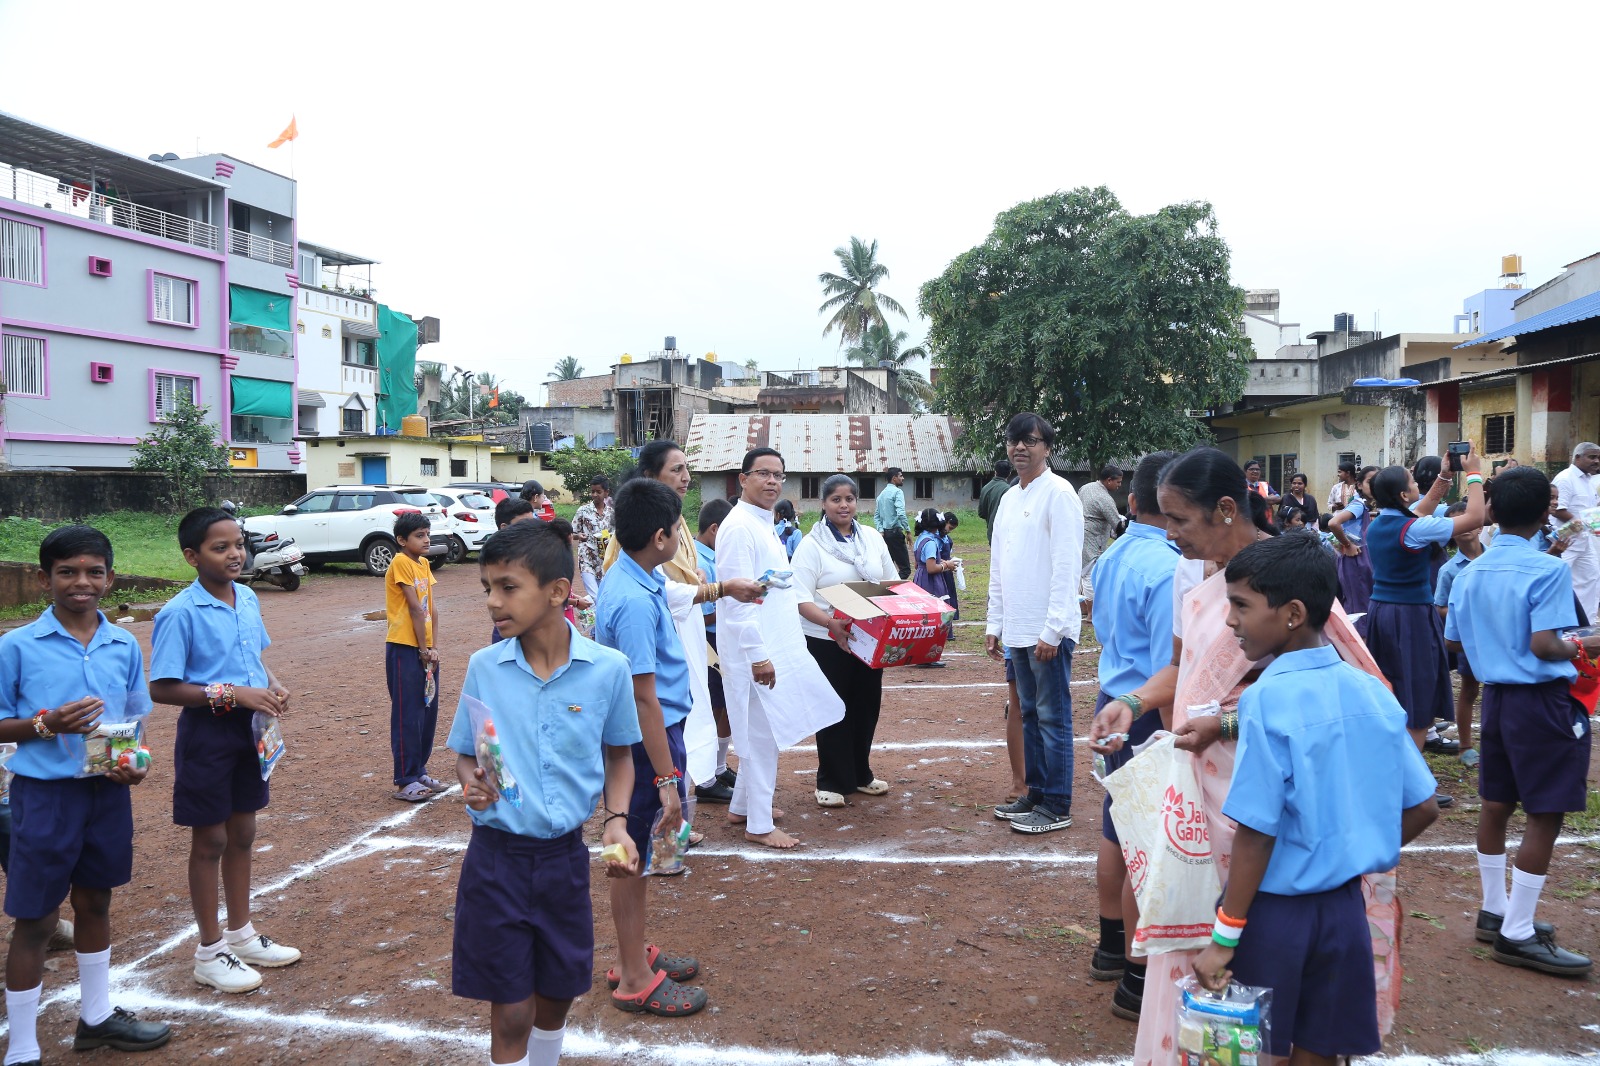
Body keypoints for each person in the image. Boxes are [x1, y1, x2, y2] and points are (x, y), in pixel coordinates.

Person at [1089, 449, 1401, 1049]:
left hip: (1260, 812)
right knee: (1194, 955)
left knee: (1263, 971)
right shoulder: (1198, 581)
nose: (1168, 531)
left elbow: (1323, 702)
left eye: (1179, 519)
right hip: (1198, 809)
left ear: (1225, 509)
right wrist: (1129, 701)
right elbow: (1182, 672)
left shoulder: (1289, 592)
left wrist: (1223, 728)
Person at [1190, 534, 1440, 1063]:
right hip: (1345, 911)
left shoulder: (1264, 700)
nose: (1230, 620)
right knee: (1321, 1052)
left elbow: (1257, 833)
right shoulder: (1372, 692)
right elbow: (1423, 806)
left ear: (1292, 613)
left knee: (1259, 1050)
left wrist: (1224, 937)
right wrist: (1349, 852)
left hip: (1275, 916)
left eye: (1240, 606)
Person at [447, 521, 642, 1065]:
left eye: (508, 587)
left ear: (557, 591)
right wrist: (472, 783)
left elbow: (620, 755)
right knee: (511, 1011)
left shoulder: (608, 670)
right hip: (496, 862)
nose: (493, 601)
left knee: (556, 998)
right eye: (487, 587)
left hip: (564, 862)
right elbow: (471, 750)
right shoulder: (486, 667)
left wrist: (616, 821)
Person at [0, 526, 172, 1061]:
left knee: (96, 900)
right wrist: (45, 723)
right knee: (37, 919)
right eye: (67, 572)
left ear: (110, 578)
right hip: (44, 797)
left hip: (106, 794)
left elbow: (134, 720)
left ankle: (95, 1017)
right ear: (44, 578)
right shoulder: (16, 646)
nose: (82, 582)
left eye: (94, 571)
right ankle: (23, 1044)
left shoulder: (122, 643)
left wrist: (135, 764)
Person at [1446, 465, 1598, 977]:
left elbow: (1456, 640)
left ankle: (1496, 911)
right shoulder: (1547, 570)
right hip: (1541, 702)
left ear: (1490, 511)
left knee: (1496, 803)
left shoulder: (1470, 573)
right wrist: (1584, 643)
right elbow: (1544, 644)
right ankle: (1516, 931)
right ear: (1543, 514)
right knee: (1545, 811)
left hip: (1497, 700)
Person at [150, 508, 300, 994]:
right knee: (210, 840)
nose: (235, 553)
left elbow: (254, 657)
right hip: (208, 736)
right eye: (221, 547)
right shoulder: (179, 613)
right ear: (192, 557)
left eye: (238, 543)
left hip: (250, 731)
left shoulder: (249, 597)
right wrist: (234, 694)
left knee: (243, 831)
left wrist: (273, 686)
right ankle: (210, 951)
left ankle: (241, 934)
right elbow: (164, 688)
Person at [593, 478, 708, 1017]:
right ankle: (634, 976)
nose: (682, 538)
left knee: (635, 854)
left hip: (648, 739)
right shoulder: (634, 600)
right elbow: (643, 698)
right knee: (629, 856)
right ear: (659, 536)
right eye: (679, 529)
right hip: (643, 745)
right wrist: (666, 780)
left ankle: (631, 952)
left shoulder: (635, 578)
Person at [601, 442, 763, 808]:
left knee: (688, 724)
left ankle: (684, 794)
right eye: (676, 470)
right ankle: (667, 815)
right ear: (648, 478)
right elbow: (662, 592)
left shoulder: (675, 524)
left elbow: (674, 580)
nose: (686, 477)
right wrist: (717, 588)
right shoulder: (632, 558)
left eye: (686, 469)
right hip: (656, 655)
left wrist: (701, 580)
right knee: (662, 735)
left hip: (678, 647)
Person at [716, 447, 846, 848]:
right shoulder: (739, 528)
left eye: (779, 475)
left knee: (765, 730)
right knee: (760, 734)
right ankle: (758, 824)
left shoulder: (762, 522)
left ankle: (743, 806)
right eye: (763, 474)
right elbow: (738, 602)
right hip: (755, 649)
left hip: (774, 641)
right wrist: (758, 656)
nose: (772, 482)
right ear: (743, 479)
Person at [1084, 452, 1179, 993]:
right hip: (1147, 708)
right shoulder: (1169, 566)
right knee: (1146, 836)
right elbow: (1173, 661)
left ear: (1133, 500)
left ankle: (1110, 946)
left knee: (1117, 826)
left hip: (1113, 693)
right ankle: (1137, 972)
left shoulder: (1115, 555)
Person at [1361, 449, 1484, 796]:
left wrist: (1444, 477)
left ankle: (1397, 776)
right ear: (1403, 494)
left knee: (1398, 693)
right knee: (1417, 705)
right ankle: (1405, 787)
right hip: (1410, 617)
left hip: (1383, 613)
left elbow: (1420, 510)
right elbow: (1475, 517)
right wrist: (1473, 474)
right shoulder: (1413, 529)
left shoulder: (1381, 524)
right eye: (1414, 481)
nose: (1418, 484)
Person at [986, 413, 1083, 835]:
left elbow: (1067, 566)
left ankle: (1057, 803)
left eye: (1030, 440)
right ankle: (1036, 793)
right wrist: (996, 621)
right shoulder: (1009, 498)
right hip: (1017, 629)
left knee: (1053, 716)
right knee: (1028, 713)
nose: (1020, 447)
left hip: (1047, 632)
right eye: (1013, 441)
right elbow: (999, 565)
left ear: (1047, 447)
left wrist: (1054, 628)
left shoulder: (1060, 494)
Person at [790, 474, 900, 808]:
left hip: (869, 638)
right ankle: (832, 780)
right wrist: (830, 623)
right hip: (826, 638)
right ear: (824, 504)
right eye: (836, 499)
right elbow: (798, 598)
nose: (844, 505)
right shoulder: (812, 546)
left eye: (849, 499)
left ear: (858, 503)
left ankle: (860, 774)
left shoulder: (871, 539)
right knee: (833, 707)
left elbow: (891, 582)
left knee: (866, 706)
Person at [385, 512, 445, 804]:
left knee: (427, 710)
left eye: (427, 534)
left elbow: (431, 609)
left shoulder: (423, 564)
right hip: (405, 647)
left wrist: (433, 647)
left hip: (425, 648)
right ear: (401, 540)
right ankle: (405, 778)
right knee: (407, 713)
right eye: (419, 535)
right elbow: (413, 608)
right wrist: (422, 649)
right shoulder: (401, 563)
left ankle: (419, 770)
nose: (426, 539)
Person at [691, 499, 738, 805]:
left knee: (723, 707)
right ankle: (705, 778)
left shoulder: (712, 555)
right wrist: (734, 602)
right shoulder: (701, 561)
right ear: (714, 529)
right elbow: (702, 614)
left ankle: (718, 768)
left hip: (718, 639)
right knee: (711, 708)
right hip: (708, 642)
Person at [1435, 500, 1485, 768]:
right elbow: (1440, 606)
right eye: (1455, 523)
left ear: (1478, 525)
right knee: (1469, 689)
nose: (1464, 527)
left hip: (1497, 636)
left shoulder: (1494, 557)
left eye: (1465, 519)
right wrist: (1464, 612)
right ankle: (1465, 746)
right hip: (1469, 638)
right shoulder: (1449, 570)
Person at [1552, 441, 1600, 623]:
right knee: (1558, 580)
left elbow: (1590, 509)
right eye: (1592, 457)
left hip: (1584, 540)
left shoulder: (1589, 481)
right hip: (1564, 541)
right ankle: (1561, 622)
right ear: (1577, 457)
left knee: (1592, 577)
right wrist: (1582, 523)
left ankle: (1586, 622)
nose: (1596, 461)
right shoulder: (1565, 478)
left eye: (1598, 458)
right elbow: (1557, 509)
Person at [1328, 465, 1380, 618]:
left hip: (1363, 560)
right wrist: (1348, 545)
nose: (1375, 486)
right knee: (1359, 609)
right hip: (1355, 561)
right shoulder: (1358, 505)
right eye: (1371, 482)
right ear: (1359, 485)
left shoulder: (1368, 506)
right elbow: (1333, 523)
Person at [1078, 465, 1124, 605]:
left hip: (1079, 534)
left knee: (1081, 574)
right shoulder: (1104, 498)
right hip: (1093, 540)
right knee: (1090, 575)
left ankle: (1084, 608)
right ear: (1109, 480)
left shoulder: (1085, 488)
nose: (1119, 485)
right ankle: (1092, 613)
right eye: (1118, 482)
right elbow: (1118, 525)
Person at [571, 474, 614, 599]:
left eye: (598, 492)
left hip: (605, 560)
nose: (594, 495)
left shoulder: (612, 513)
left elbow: (617, 535)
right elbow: (572, 533)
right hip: (587, 558)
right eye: (592, 491)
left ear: (606, 493)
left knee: (603, 594)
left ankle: (596, 617)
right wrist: (578, 536)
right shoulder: (583, 511)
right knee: (595, 595)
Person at [911, 507, 957, 611]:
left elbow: (918, 563)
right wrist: (946, 565)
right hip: (930, 581)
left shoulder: (920, 538)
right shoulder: (931, 542)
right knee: (933, 609)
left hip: (920, 577)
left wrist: (940, 561)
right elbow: (931, 568)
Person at [873, 466, 910, 579]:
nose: (903, 478)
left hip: (885, 535)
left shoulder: (881, 495)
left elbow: (877, 516)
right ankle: (893, 590)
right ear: (894, 478)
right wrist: (908, 530)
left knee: (888, 568)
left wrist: (880, 530)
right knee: (905, 569)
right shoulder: (897, 492)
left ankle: (885, 589)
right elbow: (901, 513)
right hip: (895, 533)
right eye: (901, 476)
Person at [978, 459, 1014, 543]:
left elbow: (981, 513)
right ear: (1009, 473)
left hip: (991, 533)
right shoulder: (1009, 490)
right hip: (1005, 534)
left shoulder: (985, 488)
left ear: (995, 472)